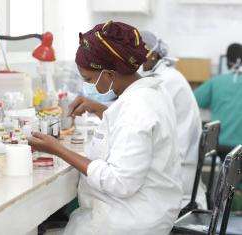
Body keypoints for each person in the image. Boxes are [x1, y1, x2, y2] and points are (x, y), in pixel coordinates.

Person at [29, 21, 182, 235]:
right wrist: (100, 109)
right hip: (145, 210)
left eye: (89, 79)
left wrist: (59, 149)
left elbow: (120, 182)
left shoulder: (137, 108)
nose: (88, 85)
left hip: (128, 221)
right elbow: (130, 128)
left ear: (110, 74)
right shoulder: (151, 91)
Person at [139, 31, 206, 209]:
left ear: (153, 54)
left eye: (137, 53)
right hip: (182, 165)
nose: (133, 60)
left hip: (177, 174)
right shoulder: (167, 76)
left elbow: (139, 119)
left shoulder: (164, 81)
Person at [194, 43, 242, 160]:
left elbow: (195, 100)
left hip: (219, 145)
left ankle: (224, 177)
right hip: (239, 145)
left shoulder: (216, 81)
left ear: (227, 61)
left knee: (228, 169)